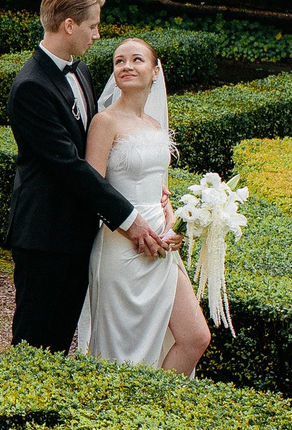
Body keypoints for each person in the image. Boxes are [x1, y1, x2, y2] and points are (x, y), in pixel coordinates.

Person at [4, 0, 152, 351]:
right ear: (70, 25)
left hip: (78, 233)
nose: (97, 35)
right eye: (93, 26)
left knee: (60, 343)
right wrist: (128, 217)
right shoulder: (31, 87)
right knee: (33, 345)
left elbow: (95, 149)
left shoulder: (80, 71)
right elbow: (68, 166)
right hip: (44, 234)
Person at [74, 38, 213, 373]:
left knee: (196, 337)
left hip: (162, 246)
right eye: (119, 61)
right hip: (121, 247)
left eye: (137, 59)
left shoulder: (155, 125)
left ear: (155, 71)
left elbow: (159, 187)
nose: (127, 66)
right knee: (121, 353)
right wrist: (133, 229)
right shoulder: (105, 122)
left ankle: (156, 401)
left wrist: (172, 220)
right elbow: (92, 189)